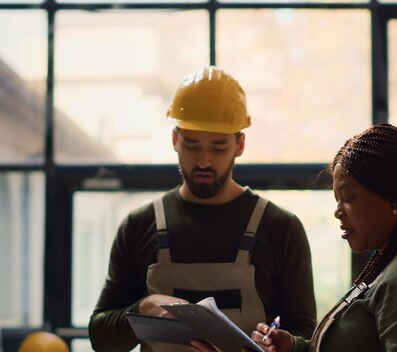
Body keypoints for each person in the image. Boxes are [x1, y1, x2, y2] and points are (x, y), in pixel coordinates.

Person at [88, 66, 317, 351]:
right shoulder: (139, 225)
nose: (204, 160)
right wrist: (143, 307)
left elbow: (306, 338)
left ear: (240, 145)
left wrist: (277, 345)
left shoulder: (281, 228)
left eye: (218, 147)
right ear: (175, 140)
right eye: (192, 145)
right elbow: (100, 335)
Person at [217, 123, 397, 352]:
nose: (338, 211)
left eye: (349, 198)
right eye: (337, 200)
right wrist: (296, 348)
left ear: (394, 196)